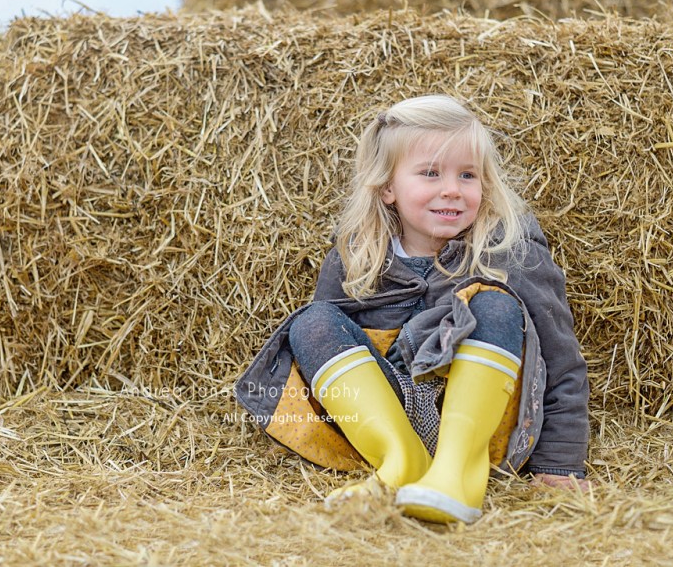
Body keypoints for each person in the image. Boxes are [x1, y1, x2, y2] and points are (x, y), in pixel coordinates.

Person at [234, 94, 590, 524]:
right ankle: (399, 465)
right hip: (388, 414)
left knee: (493, 303)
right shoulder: (356, 256)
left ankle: (458, 474)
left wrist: (558, 466)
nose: (452, 190)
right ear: (387, 188)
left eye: (468, 175)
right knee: (311, 323)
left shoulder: (509, 251)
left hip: (487, 430)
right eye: (430, 173)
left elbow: (560, 358)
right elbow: (324, 361)